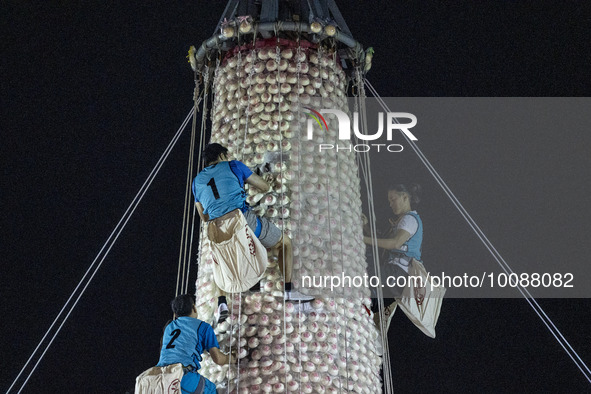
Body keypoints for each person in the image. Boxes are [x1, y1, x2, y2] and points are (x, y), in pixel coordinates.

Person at [192, 143, 313, 315]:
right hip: (241, 221)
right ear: (221, 155)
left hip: (217, 229)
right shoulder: (233, 165)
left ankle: (222, 304)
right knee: (284, 243)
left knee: (222, 264)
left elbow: (203, 217)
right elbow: (264, 187)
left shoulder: (196, 182)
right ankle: (289, 291)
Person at [362, 183, 423, 331]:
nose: (390, 204)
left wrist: (362, 239)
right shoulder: (401, 221)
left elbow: (395, 243)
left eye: (393, 199)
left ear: (405, 197)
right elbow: (383, 242)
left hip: (398, 272)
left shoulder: (409, 219)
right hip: (396, 275)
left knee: (360, 278)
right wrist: (365, 228)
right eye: (389, 201)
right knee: (370, 294)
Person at [157, 294, 234, 394]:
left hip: (160, 377)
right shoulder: (203, 327)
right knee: (210, 389)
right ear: (194, 307)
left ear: (175, 315)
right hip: (183, 378)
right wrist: (232, 358)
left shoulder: (169, 327)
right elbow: (218, 359)